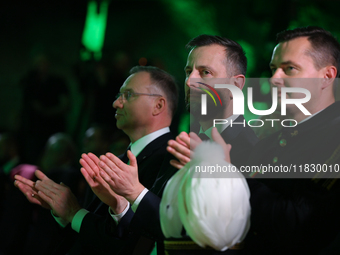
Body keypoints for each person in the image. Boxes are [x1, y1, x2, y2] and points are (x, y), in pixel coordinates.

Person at [96, 35, 259, 254]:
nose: (190, 81)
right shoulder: (183, 143)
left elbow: (217, 241)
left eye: (205, 72)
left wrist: (136, 193)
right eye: (187, 72)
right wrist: (121, 207)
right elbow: (157, 229)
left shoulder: (250, 150)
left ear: (237, 84)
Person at [14, 65, 178, 255]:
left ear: (158, 105)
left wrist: (74, 213)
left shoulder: (173, 160)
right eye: (119, 95)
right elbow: (97, 233)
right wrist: (64, 210)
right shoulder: (119, 158)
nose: (116, 103)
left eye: (129, 95)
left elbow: (137, 243)